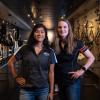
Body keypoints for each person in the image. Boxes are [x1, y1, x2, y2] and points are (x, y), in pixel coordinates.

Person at [8, 23, 57, 100]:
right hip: (26, 90)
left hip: (43, 90)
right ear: (33, 34)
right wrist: (16, 77)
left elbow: (51, 72)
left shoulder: (50, 51)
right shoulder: (25, 48)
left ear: (45, 34)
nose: (39, 34)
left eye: (42, 32)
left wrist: (51, 92)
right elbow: (10, 62)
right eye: (37, 31)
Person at [54, 19, 95, 100]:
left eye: (65, 27)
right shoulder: (54, 44)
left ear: (69, 28)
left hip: (72, 81)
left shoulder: (77, 43)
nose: (62, 29)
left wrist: (82, 70)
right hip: (59, 81)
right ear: (57, 29)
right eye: (60, 27)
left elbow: (91, 57)